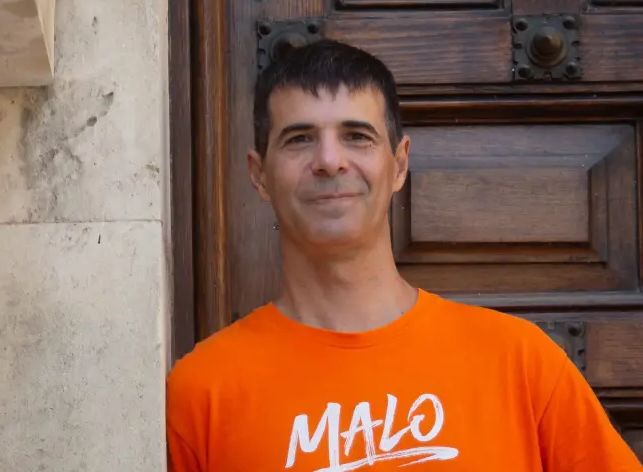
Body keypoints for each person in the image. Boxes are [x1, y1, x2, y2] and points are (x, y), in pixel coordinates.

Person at [165, 40, 643, 471]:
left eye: (357, 136)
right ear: (259, 174)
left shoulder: (521, 363)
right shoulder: (201, 393)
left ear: (399, 164)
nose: (329, 161)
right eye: (299, 139)